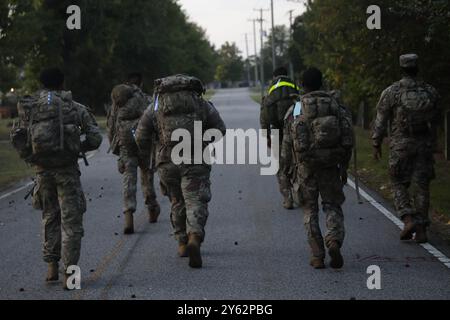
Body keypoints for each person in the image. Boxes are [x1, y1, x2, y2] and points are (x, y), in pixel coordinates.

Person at [10, 67, 102, 289]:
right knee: (71, 223)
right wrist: (76, 148)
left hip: (42, 171)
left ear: (41, 84)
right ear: (62, 83)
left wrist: (32, 157)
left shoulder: (30, 107)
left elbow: (18, 137)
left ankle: (51, 268)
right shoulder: (74, 106)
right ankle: (70, 276)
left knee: (50, 217)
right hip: (67, 171)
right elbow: (96, 138)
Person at [135, 74, 226, 268]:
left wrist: (150, 152)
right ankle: (194, 236)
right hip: (195, 159)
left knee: (176, 201)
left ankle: (182, 243)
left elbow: (141, 135)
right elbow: (220, 129)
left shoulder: (156, 107)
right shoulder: (201, 104)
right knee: (195, 201)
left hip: (167, 163)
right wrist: (203, 141)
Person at [283, 67, 353, 269]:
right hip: (331, 164)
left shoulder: (297, 107)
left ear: (302, 85)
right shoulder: (334, 104)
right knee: (332, 205)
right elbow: (347, 136)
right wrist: (344, 166)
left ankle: (317, 254)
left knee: (309, 210)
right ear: (321, 83)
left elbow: (288, 140)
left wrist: (287, 169)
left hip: (306, 167)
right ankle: (333, 240)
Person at [372, 54, 440, 243]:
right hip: (424, 145)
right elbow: (436, 120)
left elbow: (381, 120)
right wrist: (433, 143)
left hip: (401, 145)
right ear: (417, 68)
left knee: (398, 182)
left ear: (401, 69)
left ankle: (408, 217)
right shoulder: (430, 91)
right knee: (422, 186)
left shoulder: (392, 92)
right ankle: (422, 229)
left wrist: (376, 142)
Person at [107, 73, 160, 234]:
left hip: (125, 142)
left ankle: (128, 215)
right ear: (141, 83)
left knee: (128, 178)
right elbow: (155, 120)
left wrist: (115, 146)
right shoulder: (145, 98)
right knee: (147, 175)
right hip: (144, 142)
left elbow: (111, 124)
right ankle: (152, 209)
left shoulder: (119, 101)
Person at [260, 67, 300, 209]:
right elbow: (300, 106)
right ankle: (299, 192)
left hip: (277, 131)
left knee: (281, 166)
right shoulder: (294, 86)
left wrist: (266, 136)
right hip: (295, 130)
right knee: (298, 162)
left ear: (274, 75)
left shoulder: (271, 89)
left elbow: (264, 114)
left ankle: (287, 199)